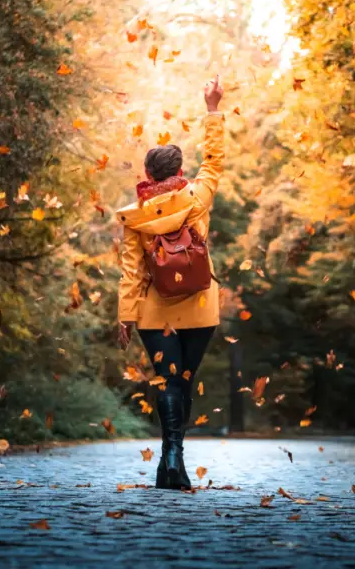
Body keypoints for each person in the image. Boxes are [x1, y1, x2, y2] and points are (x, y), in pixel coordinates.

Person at [116, 75, 225, 490]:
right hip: (200, 308)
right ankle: (173, 458)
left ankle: (170, 458)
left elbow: (132, 271)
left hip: (154, 311)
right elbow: (214, 160)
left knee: (167, 381)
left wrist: (126, 316)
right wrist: (213, 109)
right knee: (183, 382)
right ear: (180, 171)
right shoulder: (197, 197)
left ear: (146, 173)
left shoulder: (135, 217)